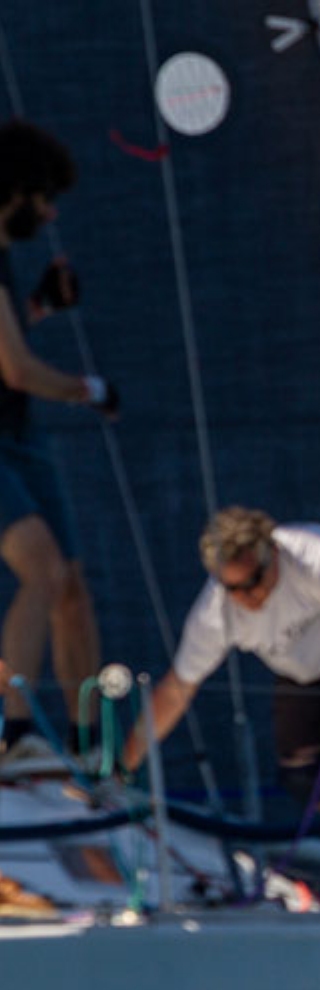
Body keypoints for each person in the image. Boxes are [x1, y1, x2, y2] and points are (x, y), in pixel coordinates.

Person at [118, 507, 320, 880]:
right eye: (233, 589)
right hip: (301, 671)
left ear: (272, 553)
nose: (248, 597)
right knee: (300, 779)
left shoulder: (314, 559)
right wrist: (121, 768)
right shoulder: (214, 612)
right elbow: (176, 691)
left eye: (255, 581)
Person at [0, 120, 119, 758]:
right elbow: (15, 368)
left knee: (71, 588)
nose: (48, 215)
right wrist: (91, 391)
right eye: (43, 200)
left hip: (18, 438)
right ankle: (12, 732)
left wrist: (42, 304)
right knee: (40, 570)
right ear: (14, 191)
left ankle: (90, 747)